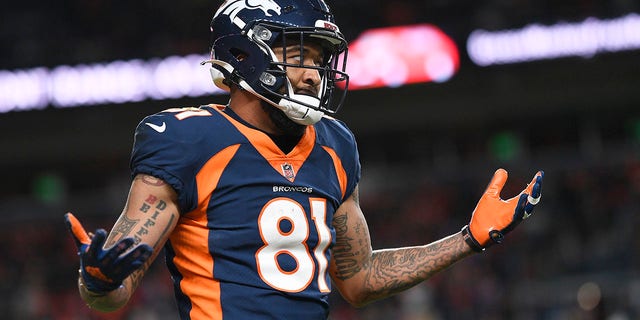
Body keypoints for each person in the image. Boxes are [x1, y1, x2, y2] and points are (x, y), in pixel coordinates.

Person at [65, 0, 544, 319]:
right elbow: (115, 287)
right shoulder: (187, 139)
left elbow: (356, 280)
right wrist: (98, 280)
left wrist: (467, 240)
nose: (314, 73)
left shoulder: (335, 144)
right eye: (299, 53)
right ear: (247, 53)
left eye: (320, 59)